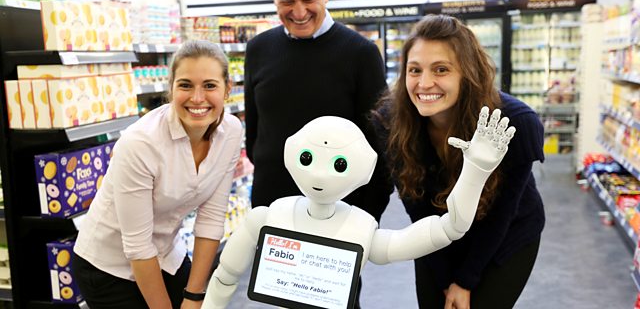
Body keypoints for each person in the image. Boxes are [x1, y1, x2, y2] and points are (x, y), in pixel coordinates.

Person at [203, 112, 514, 308]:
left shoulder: (361, 230)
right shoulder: (269, 216)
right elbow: (225, 277)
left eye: (339, 164)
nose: (320, 175)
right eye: (308, 158)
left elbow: (450, 228)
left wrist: (474, 172)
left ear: (363, 170)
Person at [371, 14, 545, 309]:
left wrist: (464, 281)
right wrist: (444, 280)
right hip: (435, 232)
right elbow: (417, 208)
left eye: (441, 69)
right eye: (415, 70)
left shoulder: (513, 123)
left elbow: (502, 213)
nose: (425, 83)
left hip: (503, 236)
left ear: (468, 72)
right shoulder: (391, 122)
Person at [72, 40, 244, 309]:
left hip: (165, 252)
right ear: (171, 88)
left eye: (210, 85)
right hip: (108, 265)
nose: (197, 98)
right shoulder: (140, 144)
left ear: (227, 90)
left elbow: (211, 218)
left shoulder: (231, 133)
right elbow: (137, 247)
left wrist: (194, 296)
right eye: (185, 85)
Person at [244, 0, 392, 222]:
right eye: (286, 1)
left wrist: (365, 217)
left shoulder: (361, 54)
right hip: (271, 209)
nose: (299, 12)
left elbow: (379, 146)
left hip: (338, 216)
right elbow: (254, 136)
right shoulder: (257, 50)